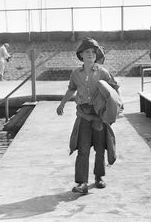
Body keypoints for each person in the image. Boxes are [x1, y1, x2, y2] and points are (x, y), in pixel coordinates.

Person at [56, 37, 122, 194]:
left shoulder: (103, 72)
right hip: (83, 116)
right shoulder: (76, 74)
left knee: (100, 149)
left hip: (99, 116)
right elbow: (71, 89)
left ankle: (99, 177)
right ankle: (82, 183)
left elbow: (115, 88)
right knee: (83, 149)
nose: (91, 54)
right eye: (87, 52)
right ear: (81, 55)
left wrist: (118, 104)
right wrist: (62, 103)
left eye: (93, 52)